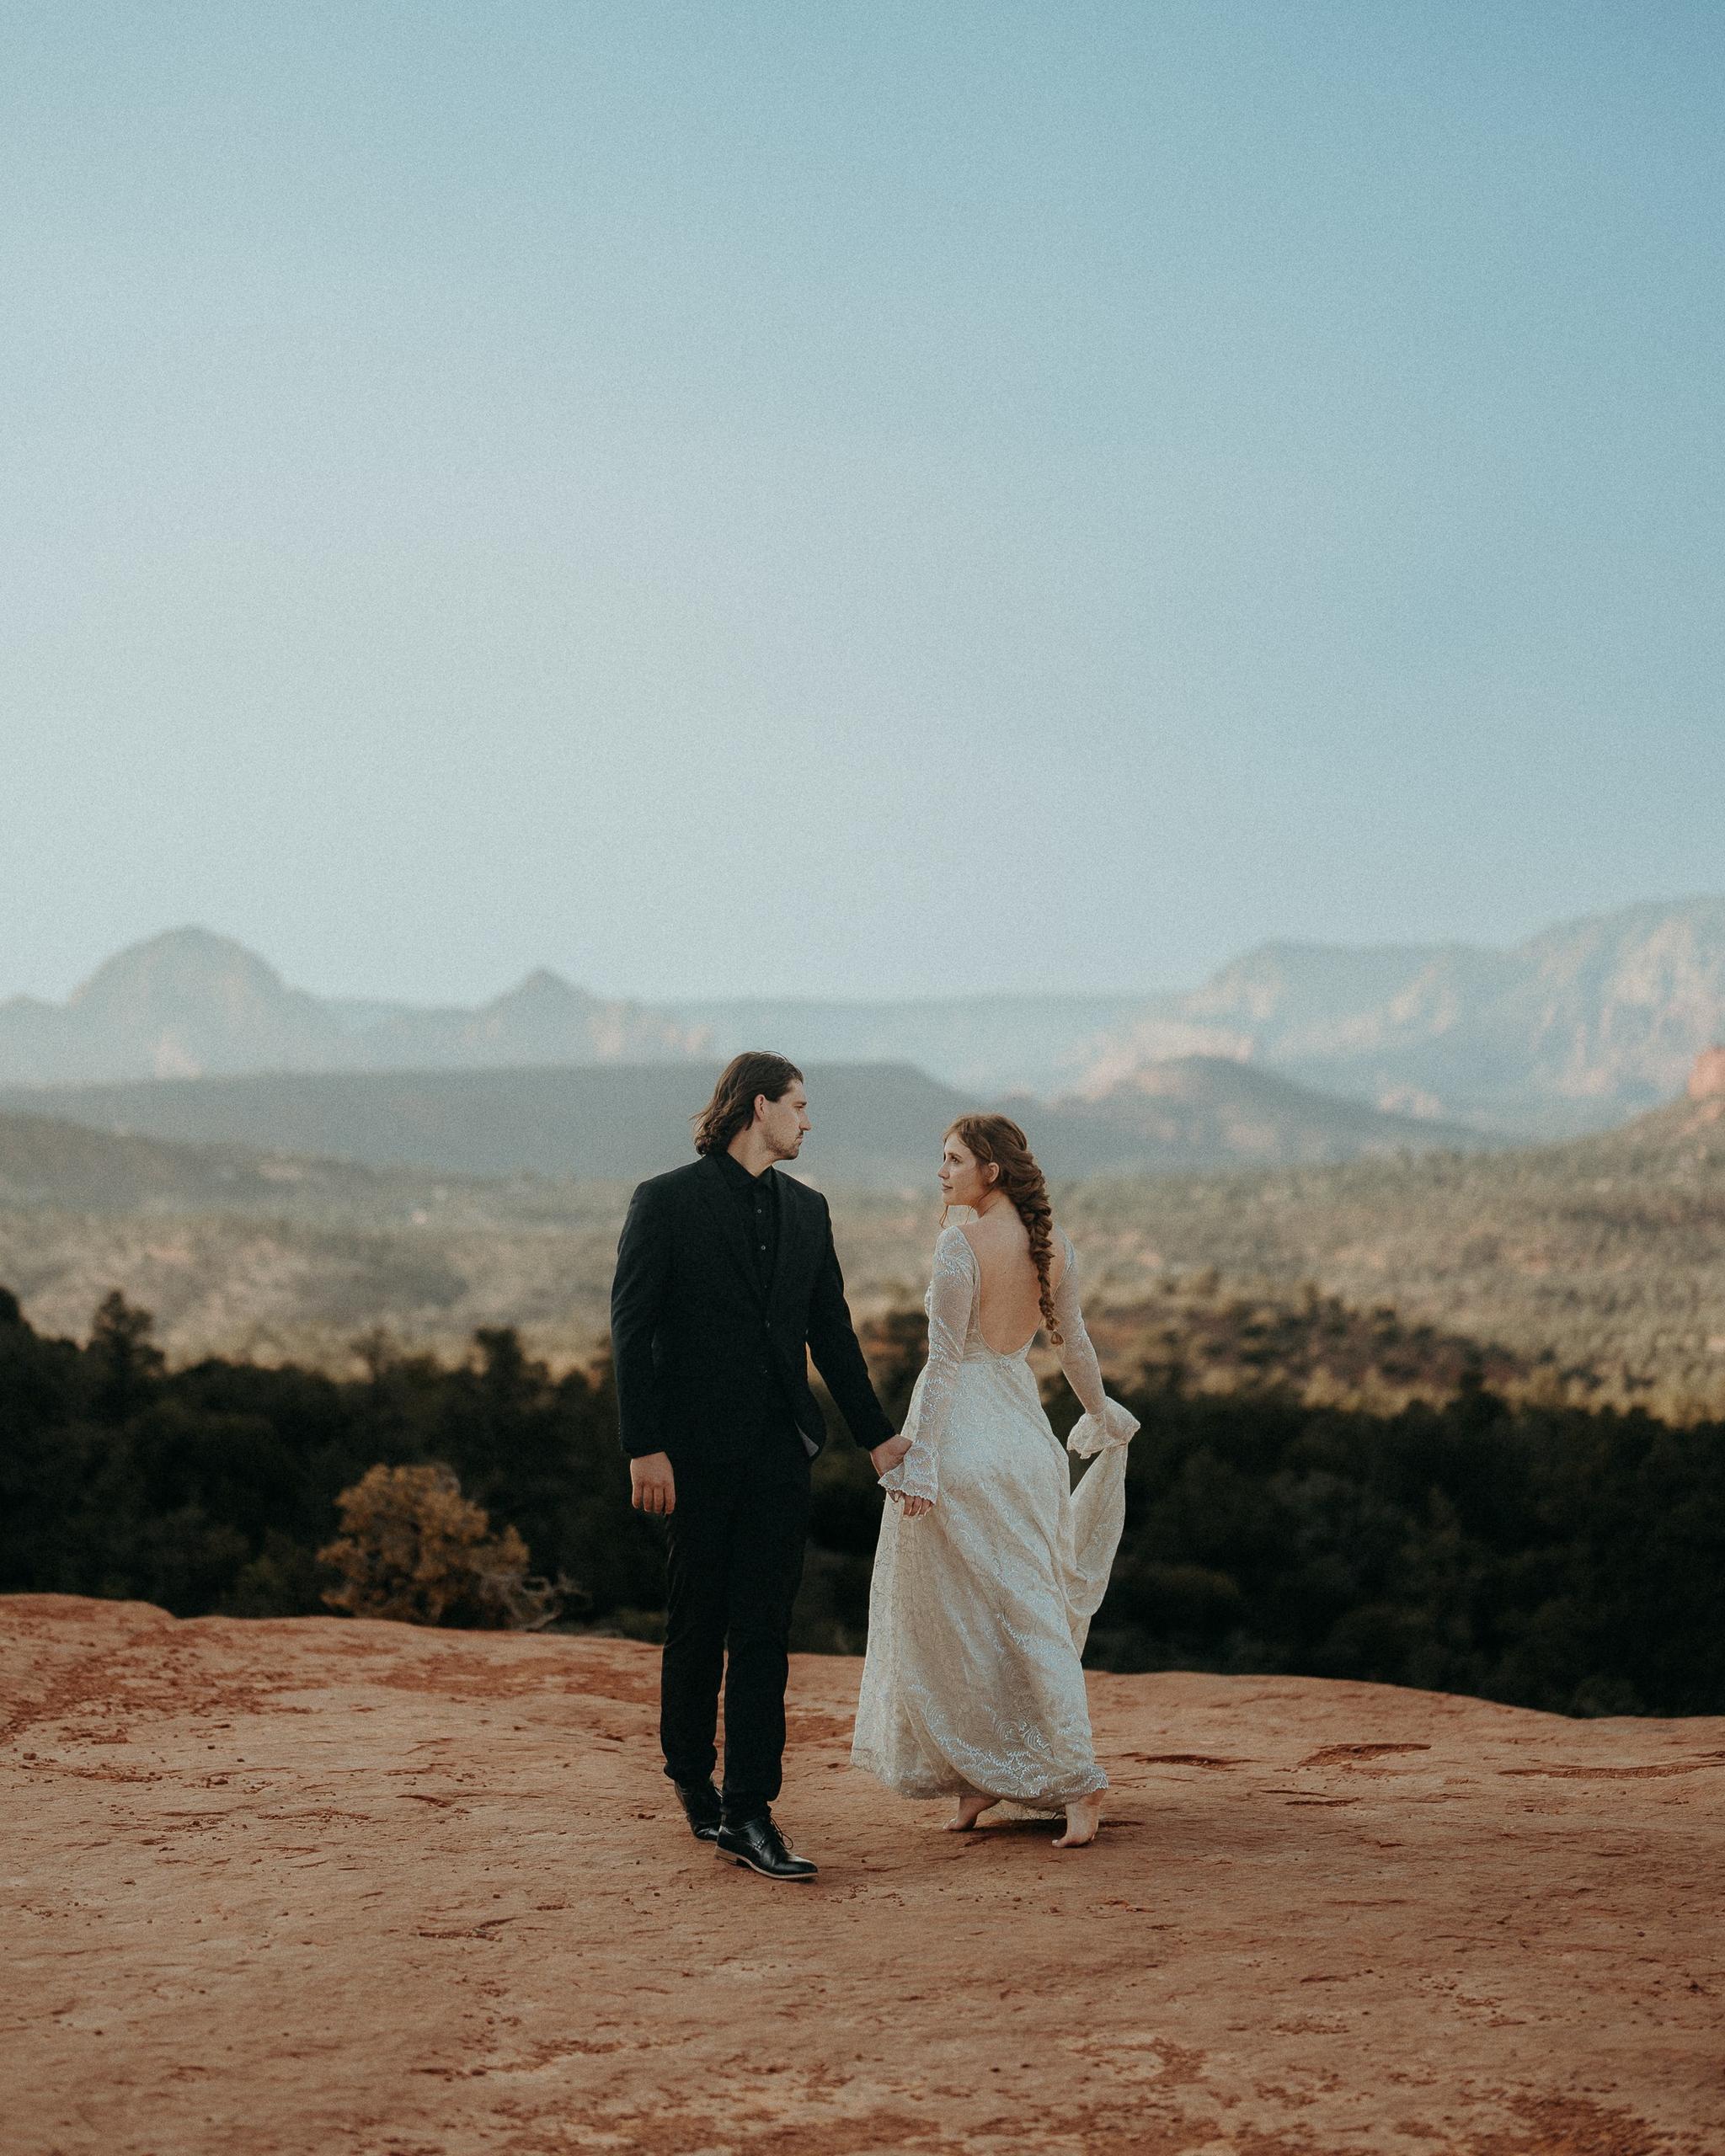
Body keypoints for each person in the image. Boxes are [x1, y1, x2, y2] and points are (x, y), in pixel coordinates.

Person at [611, 1051, 908, 1881]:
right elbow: (632, 1328)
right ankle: (687, 1773)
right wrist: (644, 1444)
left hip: (782, 1452)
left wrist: (876, 1434)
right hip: (693, 1454)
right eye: (798, 1105)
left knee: (765, 1634)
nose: (807, 1120)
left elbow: (833, 1333)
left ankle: (749, 1810)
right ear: (756, 1107)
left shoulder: (808, 1212)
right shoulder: (664, 1202)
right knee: (696, 1623)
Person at [852, 1113, 1137, 1848]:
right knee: (1016, 1609)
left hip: (968, 1443)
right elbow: (1073, 1344)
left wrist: (922, 1460)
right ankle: (983, 1778)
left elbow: (944, 1364)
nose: (940, 1172)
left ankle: (1078, 1781)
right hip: (1027, 1440)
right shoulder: (1052, 1246)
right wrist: (1103, 1413)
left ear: (991, 1171)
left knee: (962, 1616)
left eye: (952, 1160)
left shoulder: (959, 1245)